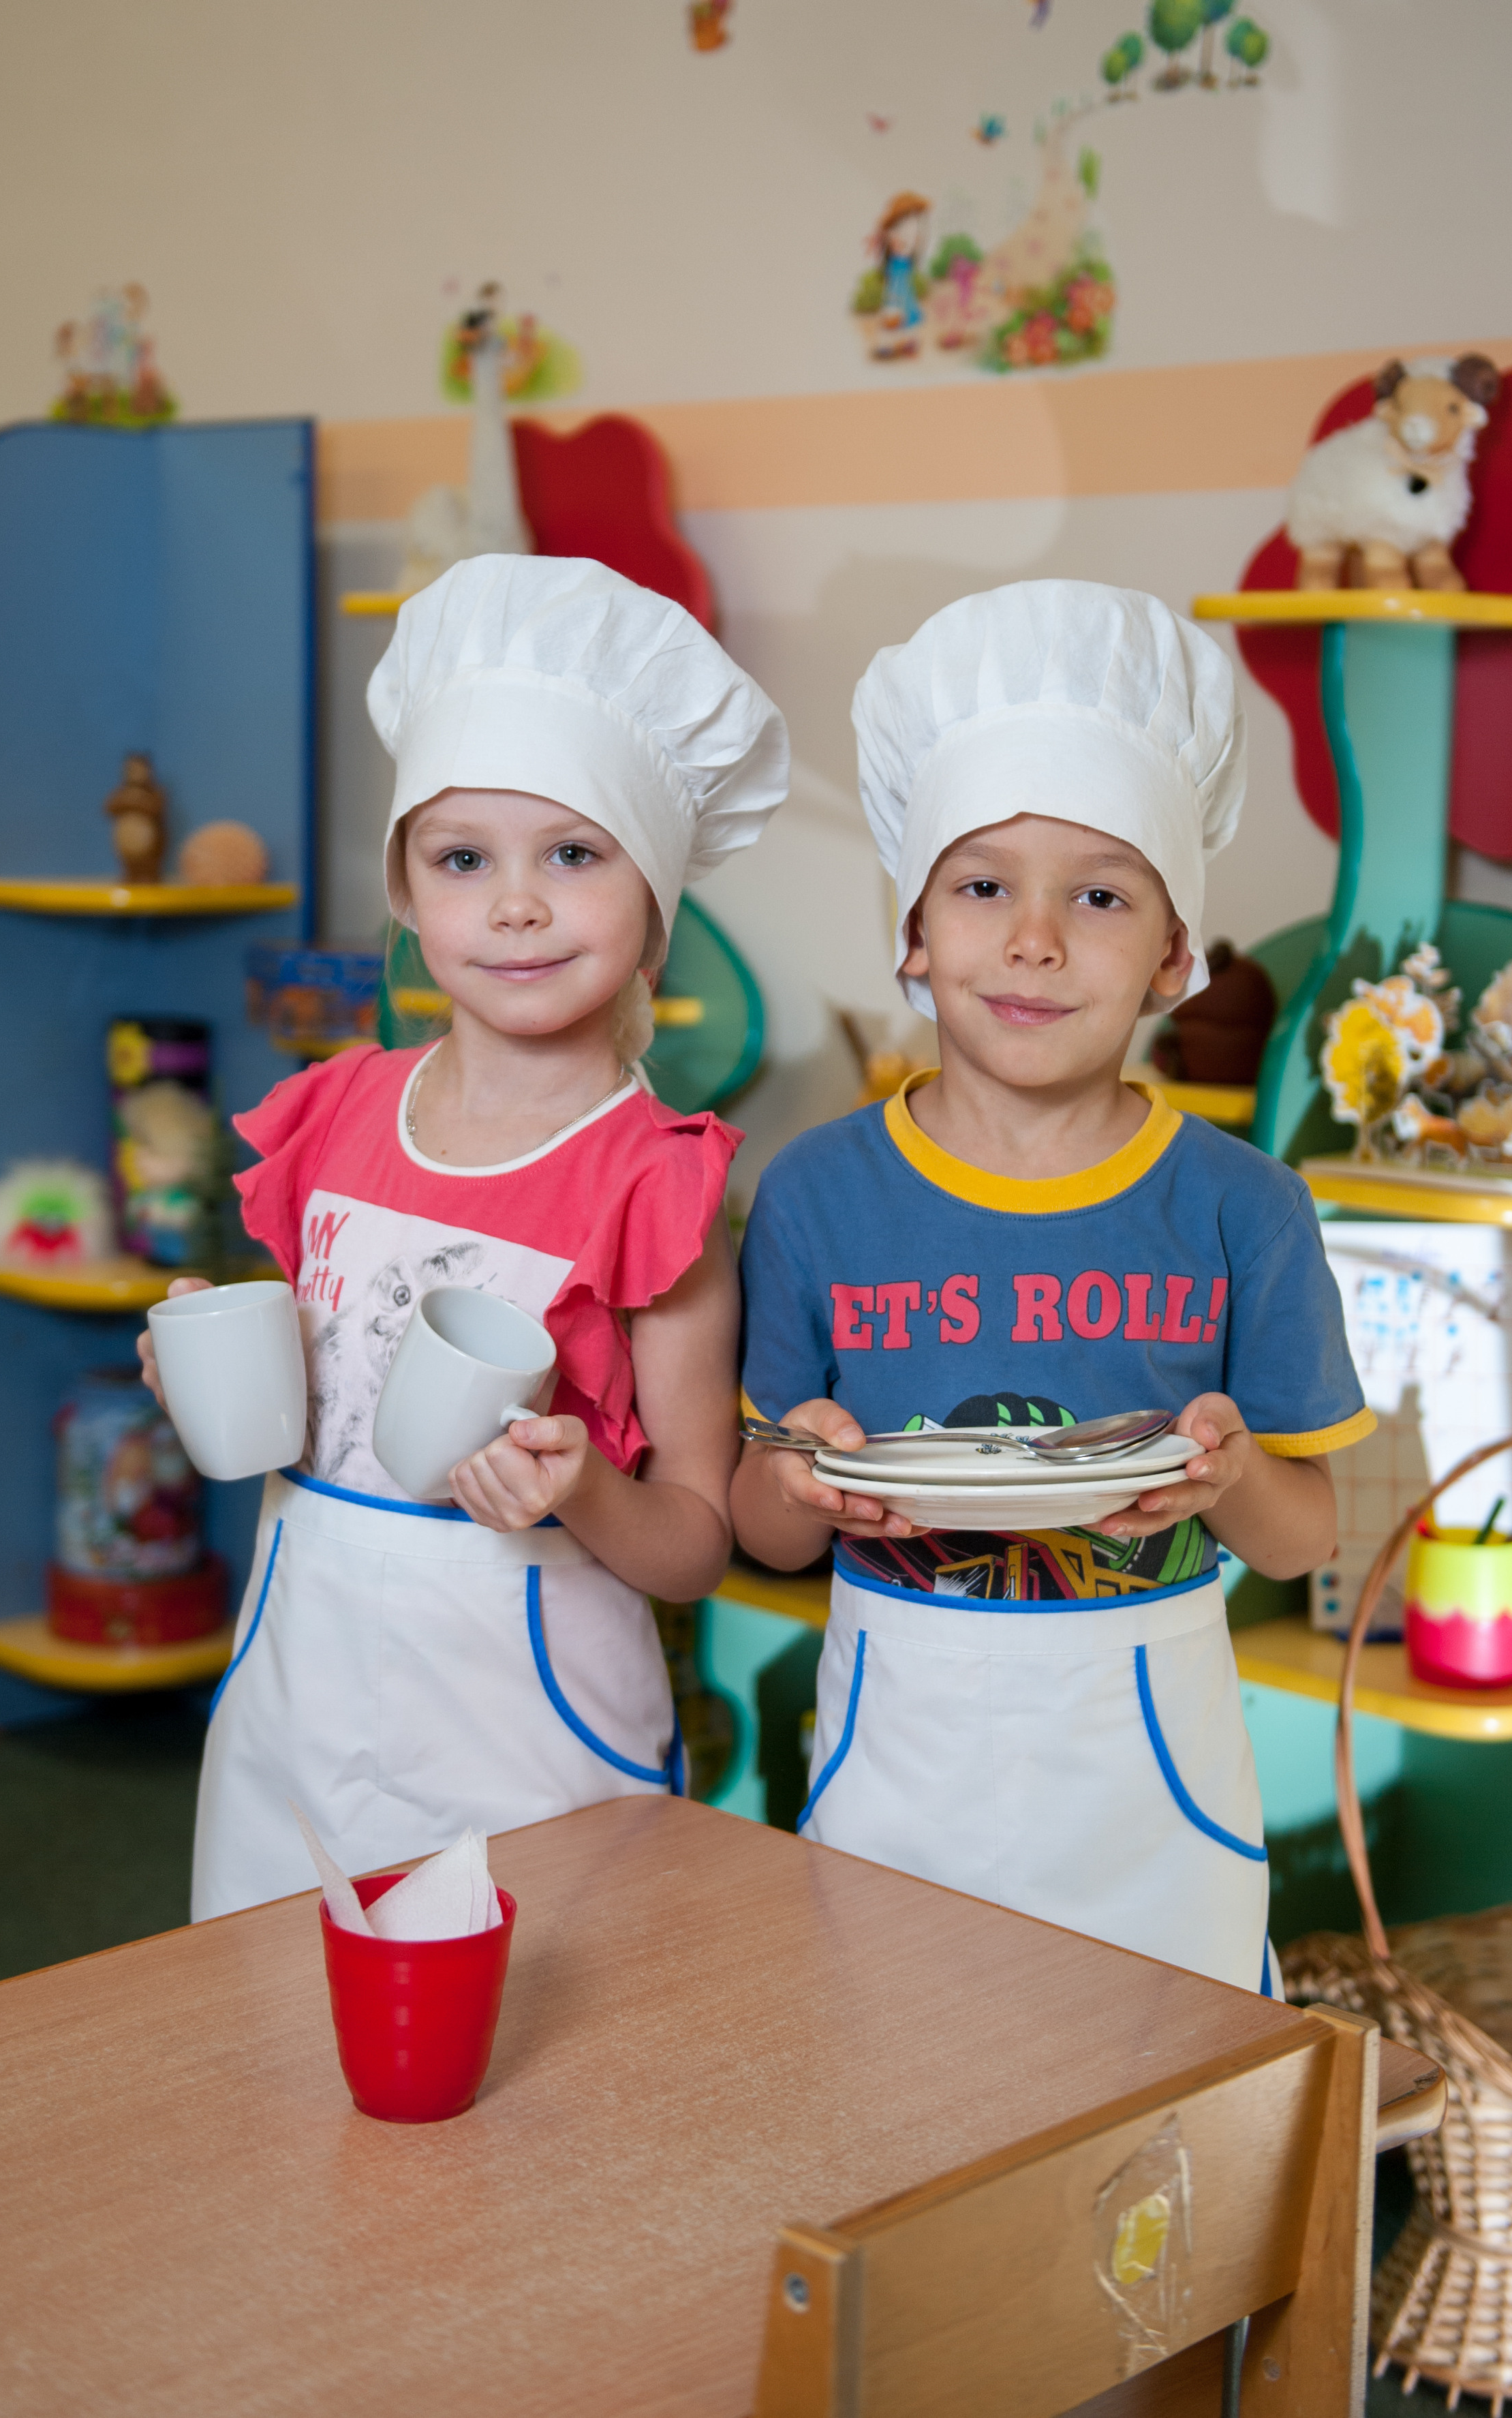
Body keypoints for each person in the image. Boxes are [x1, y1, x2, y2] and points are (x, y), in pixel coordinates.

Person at [730, 580, 1372, 1995]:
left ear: (1170, 954)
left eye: (1096, 893)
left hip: (1143, 1770)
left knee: (1159, 2137)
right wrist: (795, 1484)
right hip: (893, 1755)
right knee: (892, 2109)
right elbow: (760, 1526)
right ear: (911, 934)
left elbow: (1298, 1534)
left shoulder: (1240, 1204)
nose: (1032, 939)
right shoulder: (818, 1194)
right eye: (980, 887)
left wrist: (1226, 1474)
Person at [140, 555, 788, 1920]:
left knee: (528, 2080)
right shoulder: (339, 1112)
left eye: (571, 853)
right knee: (260, 2040)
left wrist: (579, 1492)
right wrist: (213, 1355)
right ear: (409, 891)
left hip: (521, 1730)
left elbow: (692, 1544)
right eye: (461, 859)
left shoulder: (652, 1184)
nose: (514, 904)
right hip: (295, 1699)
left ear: (654, 895)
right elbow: (326, 1386)